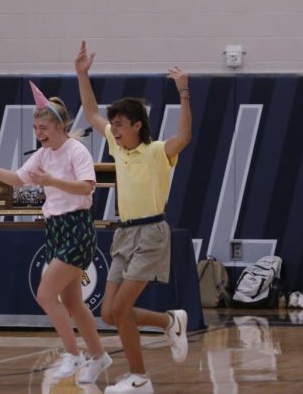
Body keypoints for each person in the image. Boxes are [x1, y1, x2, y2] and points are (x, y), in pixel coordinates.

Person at [0, 81, 113, 385]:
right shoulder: (43, 154)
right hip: (56, 229)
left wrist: (52, 181)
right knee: (72, 302)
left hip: (77, 227)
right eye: (35, 128)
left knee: (46, 294)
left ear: (59, 126)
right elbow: (19, 180)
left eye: (44, 127)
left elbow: (87, 187)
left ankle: (73, 355)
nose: (39, 132)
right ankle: (100, 357)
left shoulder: (77, 151)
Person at [75, 40, 192, 394]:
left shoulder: (157, 152)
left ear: (138, 125)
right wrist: (82, 73)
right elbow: (91, 109)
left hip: (152, 232)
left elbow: (184, 135)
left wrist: (183, 92)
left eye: (121, 123)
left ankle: (140, 378)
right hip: (124, 233)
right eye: (113, 124)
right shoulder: (116, 145)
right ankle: (169, 321)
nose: (114, 128)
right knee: (109, 313)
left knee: (122, 307)